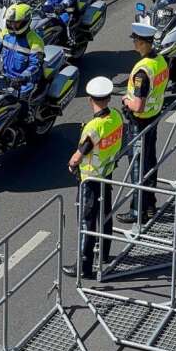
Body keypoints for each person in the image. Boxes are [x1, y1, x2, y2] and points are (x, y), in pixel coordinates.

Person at [63, 76, 124, 279]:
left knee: (86, 221)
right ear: (108, 98)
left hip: (90, 178)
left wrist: (72, 164)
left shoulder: (93, 127)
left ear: (91, 99)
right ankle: (104, 254)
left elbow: (80, 153)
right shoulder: (115, 116)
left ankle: (84, 266)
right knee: (105, 214)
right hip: (107, 174)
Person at [117, 23, 169, 225]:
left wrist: (125, 100)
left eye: (135, 40)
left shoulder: (142, 72)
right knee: (149, 161)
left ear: (141, 42)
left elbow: (137, 105)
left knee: (138, 166)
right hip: (154, 116)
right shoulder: (160, 61)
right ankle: (149, 205)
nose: (134, 43)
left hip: (139, 121)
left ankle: (137, 210)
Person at [0, 2, 44, 101]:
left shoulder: (35, 41)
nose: (12, 26)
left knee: (19, 110)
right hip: (5, 78)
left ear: (26, 21)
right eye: (10, 23)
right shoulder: (5, 32)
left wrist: (21, 78)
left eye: (16, 23)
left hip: (23, 84)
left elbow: (35, 65)